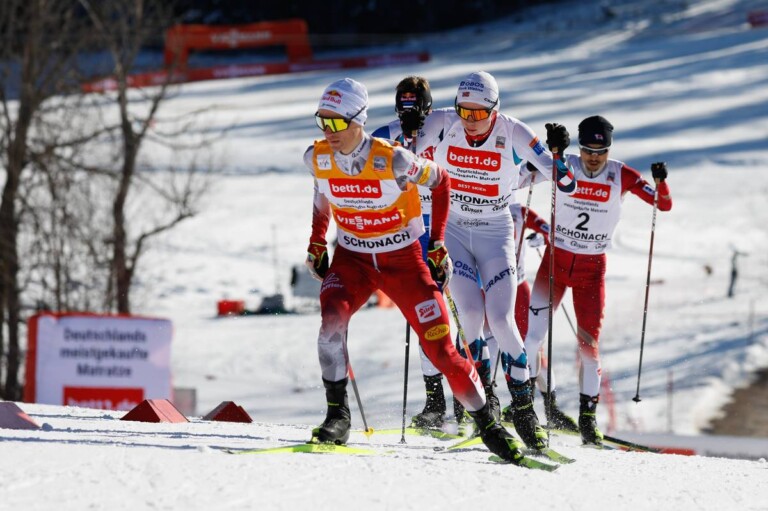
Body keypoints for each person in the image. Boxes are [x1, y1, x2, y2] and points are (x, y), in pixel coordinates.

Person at [303, 77, 526, 463]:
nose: (329, 131)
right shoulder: (316, 156)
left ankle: (488, 423)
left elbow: (442, 183)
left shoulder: (392, 159)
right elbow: (323, 192)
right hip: (353, 260)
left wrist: (437, 243)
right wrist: (318, 241)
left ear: (359, 119)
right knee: (330, 326)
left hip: (402, 262)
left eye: (337, 122)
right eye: (323, 121)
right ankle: (337, 415)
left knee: (441, 348)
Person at [414, 71, 576, 450]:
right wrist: (407, 122)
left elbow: (565, 182)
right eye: (463, 112)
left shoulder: (514, 132)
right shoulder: (442, 122)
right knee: (468, 317)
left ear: (495, 109)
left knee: (501, 319)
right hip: (452, 230)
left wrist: (558, 154)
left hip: (494, 232)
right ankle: (486, 407)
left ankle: (525, 413)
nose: (469, 122)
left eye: (478, 114)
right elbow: (398, 147)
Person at [523, 115, 672, 445]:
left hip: (592, 272)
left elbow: (663, 205)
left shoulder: (621, 174)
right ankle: (524, 410)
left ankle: (588, 420)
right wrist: (550, 153)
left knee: (588, 347)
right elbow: (522, 173)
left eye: (601, 150)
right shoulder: (565, 164)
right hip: (555, 265)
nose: (593, 157)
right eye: (588, 149)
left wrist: (661, 183)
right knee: (531, 339)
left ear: (609, 149)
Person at [373, 77, 455, 430]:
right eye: (404, 105)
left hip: (446, 225)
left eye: (417, 106)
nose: (410, 113)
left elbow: (484, 119)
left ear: (428, 106)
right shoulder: (385, 133)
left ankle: (473, 398)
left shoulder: (444, 122)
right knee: (425, 316)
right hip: (408, 230)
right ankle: (435, 402)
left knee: (461, 311)